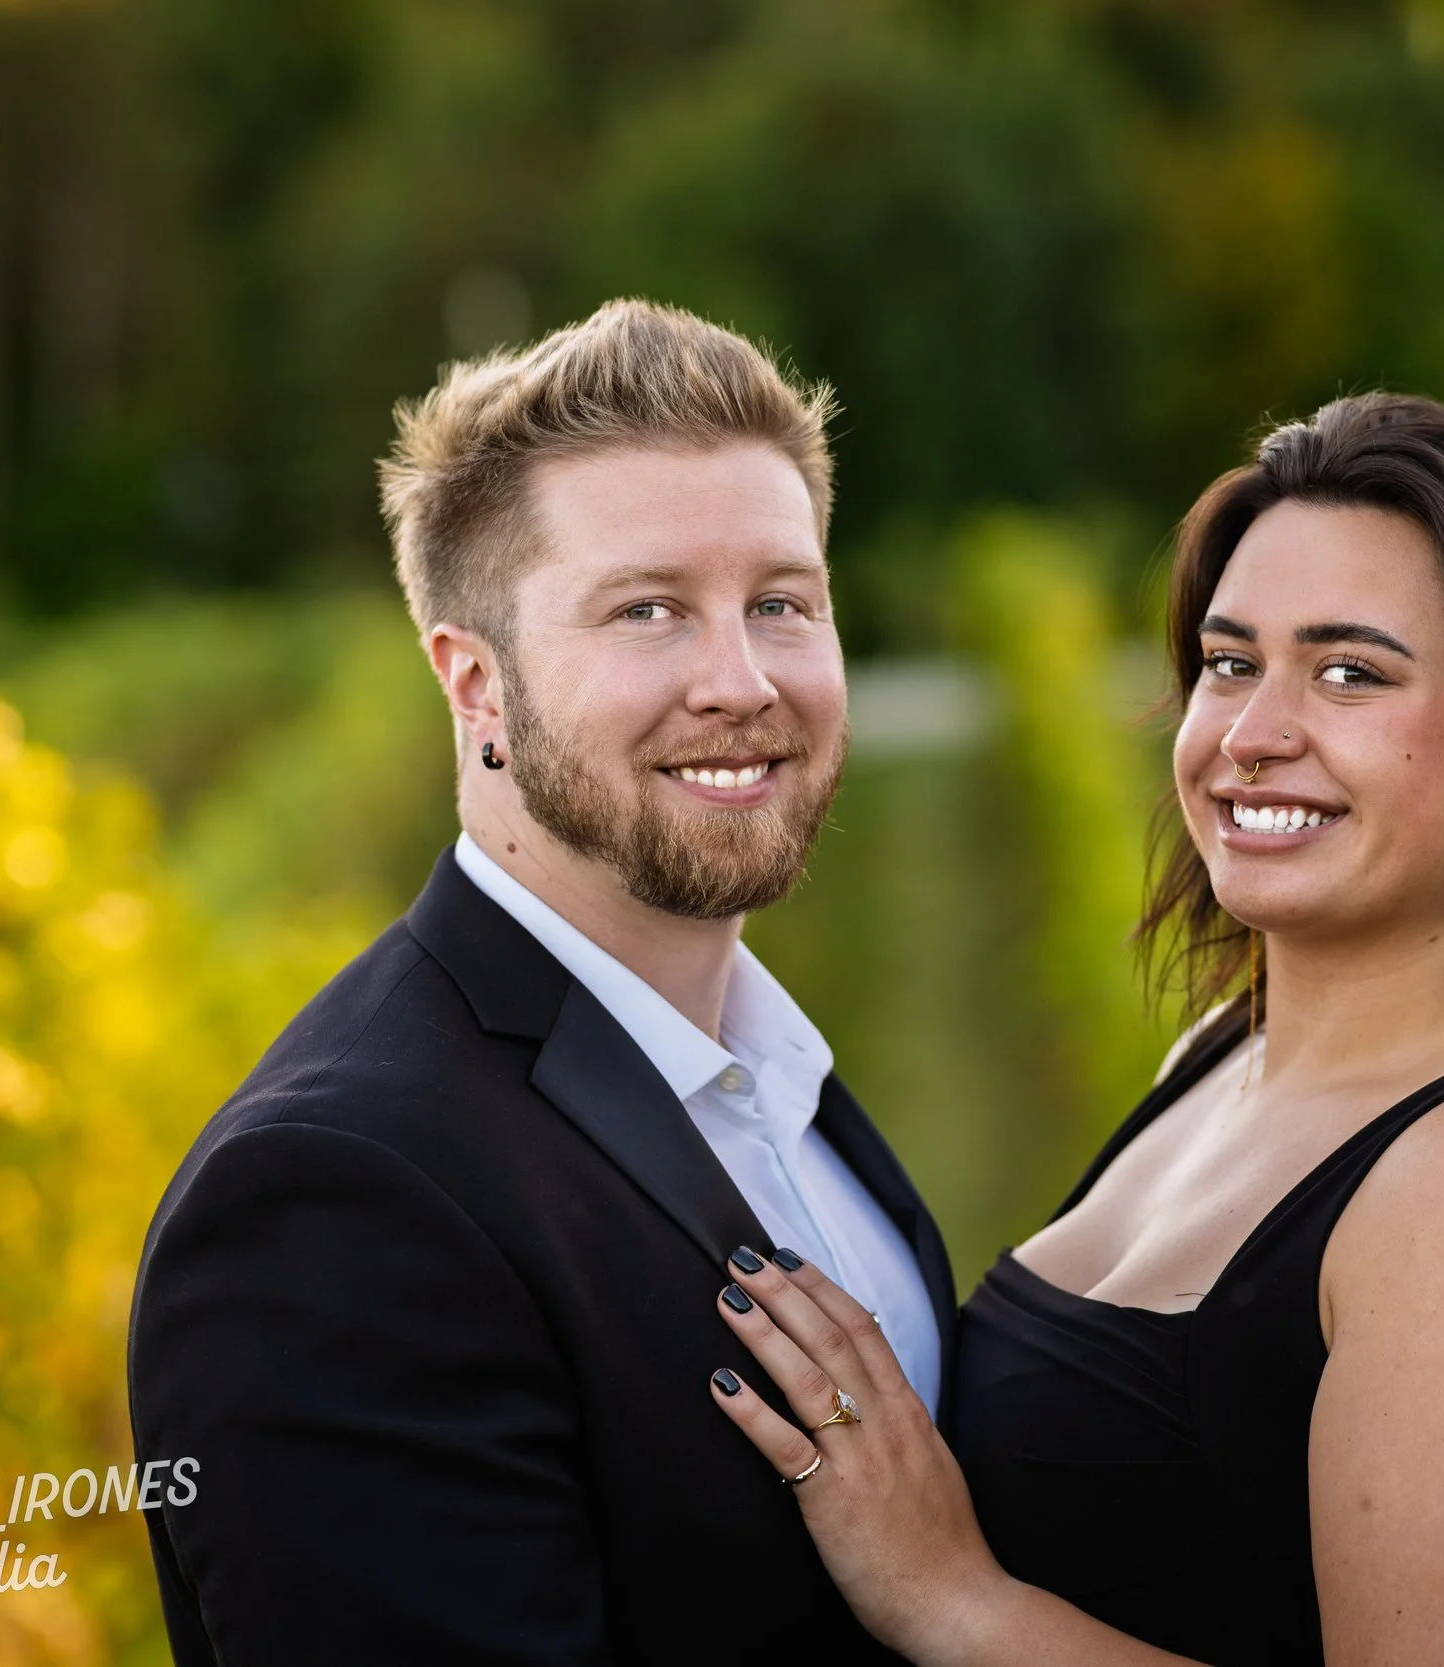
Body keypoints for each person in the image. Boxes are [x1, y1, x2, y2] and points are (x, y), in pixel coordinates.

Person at [703, 392, 1444, 1666]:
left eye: (1349, 673)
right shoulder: (1221, 1053)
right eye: (1230, 663)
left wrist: (951, 1597)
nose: (1251, 737)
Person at [127, 299, 955, 1664]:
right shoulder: (335, 1201)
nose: (741, 679)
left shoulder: (780, 1085)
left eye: (781, 603)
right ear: (476, 686)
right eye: (649, 611)